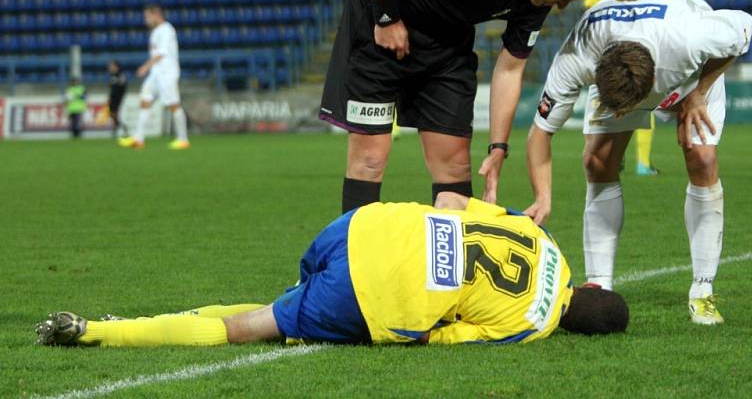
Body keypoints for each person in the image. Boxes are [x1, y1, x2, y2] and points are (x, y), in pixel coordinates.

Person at [35, 193, 629, 348]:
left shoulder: (540, 236)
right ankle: (98, 330)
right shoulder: (531, 326)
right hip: (374, 295)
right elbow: (445, 337)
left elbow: (452, 204)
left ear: (591, 286)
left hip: (364, 226)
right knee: (254, 325)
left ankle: (120, 323)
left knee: (283, 299)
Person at [320, 0, 604, 214]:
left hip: (448, 39)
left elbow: (510, 69)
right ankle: (354, 256)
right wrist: (386, 15)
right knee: (370, 160)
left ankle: (450, 262)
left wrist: (498, 148)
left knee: (455, 166)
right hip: (382, 26)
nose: (560, 6)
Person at [524, 0, 752, 325]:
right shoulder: (578, 54)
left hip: (692, 77)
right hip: (623, 60)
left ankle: (703, 290)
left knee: (702, 158)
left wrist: (698, 92)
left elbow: (745, 26)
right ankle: (600, 284)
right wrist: (543, 196)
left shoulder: (689, 37)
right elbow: (540, 132)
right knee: (596, 160)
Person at [584, 0, 667, 176]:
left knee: (606, 99)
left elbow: (590, 4)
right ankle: (642, 163)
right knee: (643, 102)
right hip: (644, 47)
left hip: (612, 45)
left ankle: (603, 154)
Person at [118, 5, 190, 150]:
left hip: (167, 73)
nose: (146, 20)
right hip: (156, 73)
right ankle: (138, 139)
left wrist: (146, 66)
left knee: (173, 104)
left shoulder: (166, 30)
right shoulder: (156, 31)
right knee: (145, 100)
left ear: (156, 14)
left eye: (147, 16)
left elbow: (162, 52)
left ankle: (183, 139)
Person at [106, 60, 129, 138]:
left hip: (118, 97)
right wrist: (109, 97)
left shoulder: (121, 75)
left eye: (112, 66)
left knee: (114, 113)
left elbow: (123, 86)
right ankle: (120, 127)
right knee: (112, 114)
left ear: (116, 67)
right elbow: (111, 88)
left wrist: (120, 95)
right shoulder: (112, 76)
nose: (110, 68)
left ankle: (118, 129)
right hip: (112, 97)